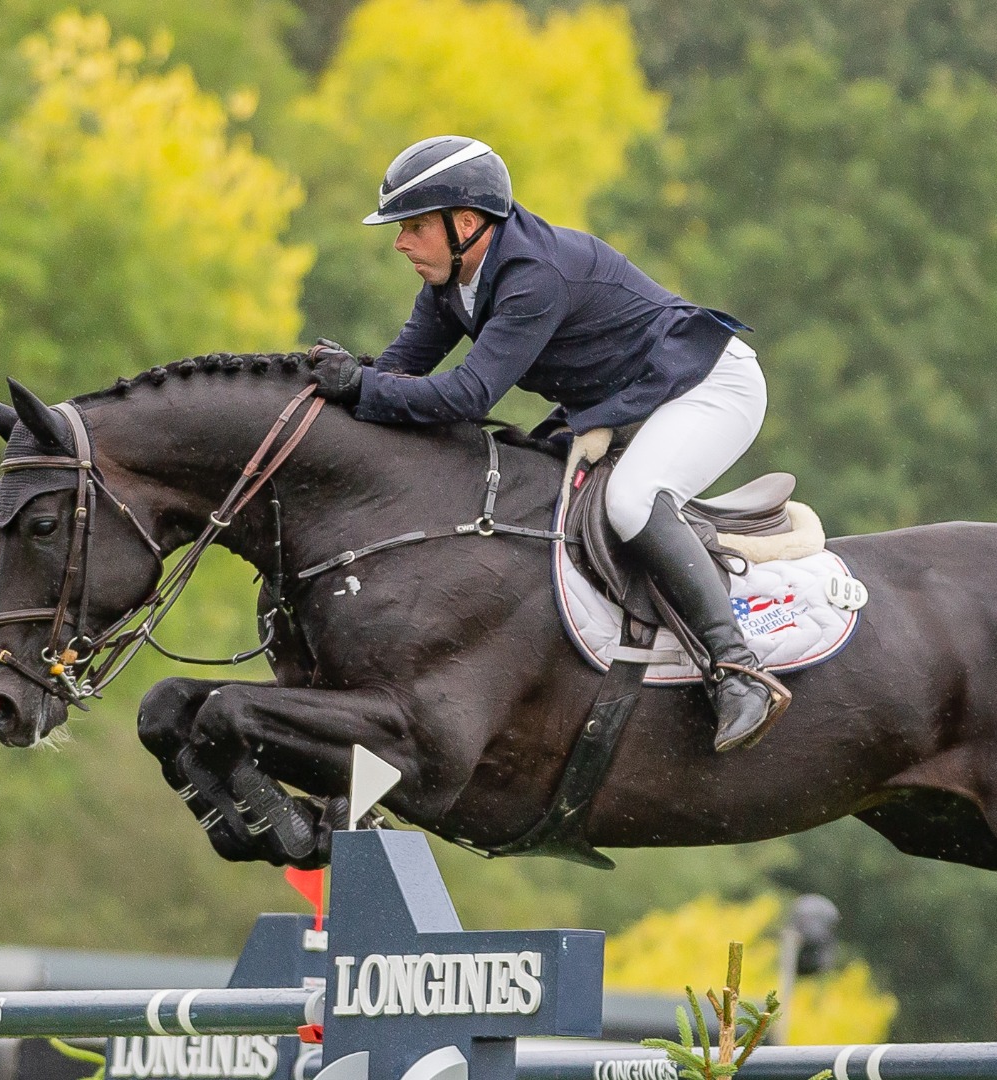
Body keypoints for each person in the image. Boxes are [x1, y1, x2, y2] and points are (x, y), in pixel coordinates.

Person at [307, 135, 785, 753]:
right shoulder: (457, 277)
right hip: (631, 397)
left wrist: (363, 387)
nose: (400, 242)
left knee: (633, 501)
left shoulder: (533, 276)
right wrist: (338, 386)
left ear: (467, 223)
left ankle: (738, 671)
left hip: (708, 385)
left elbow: (468, 395)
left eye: (414, 226)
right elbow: (401, 369)